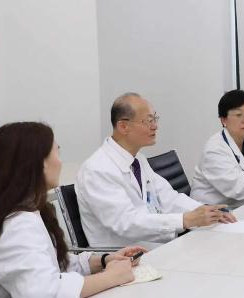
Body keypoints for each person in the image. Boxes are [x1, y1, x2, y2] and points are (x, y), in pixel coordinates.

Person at [0, 122, 144, 298]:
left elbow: (52, 263)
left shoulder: (27, 209)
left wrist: (104, 261)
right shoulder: (17, 224)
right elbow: (44, 292)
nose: (60, 162)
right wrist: (111, 277)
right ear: (40, 163)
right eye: (57, 152)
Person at [76, 93, 235, 247]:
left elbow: (168, 198)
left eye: (154, 119)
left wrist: (207, 211)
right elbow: (126, 223)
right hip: (124, 257)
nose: (155, 126)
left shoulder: (138, 160)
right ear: (123, 126)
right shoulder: (98, 170)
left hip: (155, 246)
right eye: (148, 121)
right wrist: (185, 220)